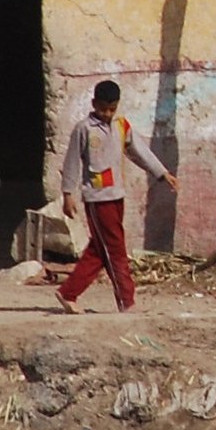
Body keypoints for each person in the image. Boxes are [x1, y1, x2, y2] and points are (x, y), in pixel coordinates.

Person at [57, 79, 178, 314]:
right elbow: (71, 161)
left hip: (116, 195)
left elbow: (140, 152)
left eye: (112, 109)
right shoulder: (83, 129)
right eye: (103, 108)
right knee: (115, 250)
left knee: (100, 250)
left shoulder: (122, 126)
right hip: (96, 198)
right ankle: (126, 301)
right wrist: (68, 194)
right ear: (94, 104)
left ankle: (68, 292)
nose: (107, 114)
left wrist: (162, 173)